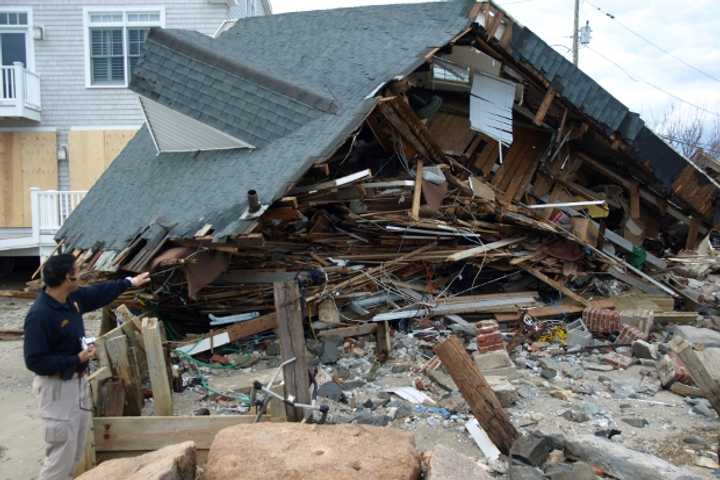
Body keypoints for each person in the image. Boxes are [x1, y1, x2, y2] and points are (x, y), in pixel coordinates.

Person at [23, 254, 150, 480]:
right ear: (67, 278)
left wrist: (129, 283)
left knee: (76, 450)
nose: (80, 273)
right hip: (57, 388)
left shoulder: (72, 299)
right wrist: (77, 359)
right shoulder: (40, 315)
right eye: (77, 270)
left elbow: (97, 294)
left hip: (77, 383)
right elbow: (35, 361)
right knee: (60, 456)